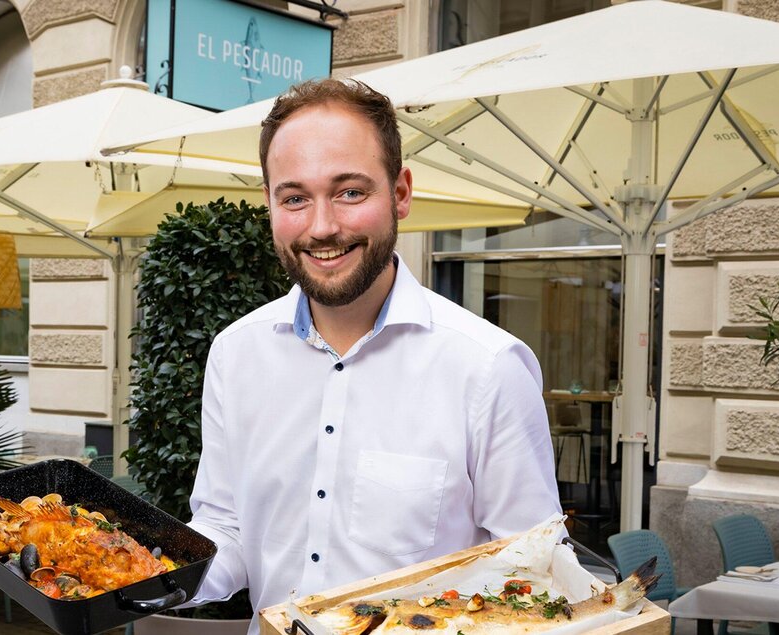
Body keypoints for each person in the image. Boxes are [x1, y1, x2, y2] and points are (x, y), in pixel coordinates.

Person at [185, 78, 562, 633]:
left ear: (401, 193)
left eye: (350, 192)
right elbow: (228, 530)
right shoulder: (235, 353)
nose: (321, 227)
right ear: (269, 204)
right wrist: (141, 576)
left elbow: (534, 576)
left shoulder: (488, 367)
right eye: (294, 198)